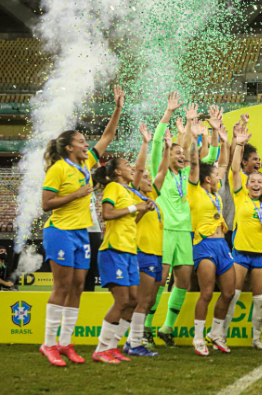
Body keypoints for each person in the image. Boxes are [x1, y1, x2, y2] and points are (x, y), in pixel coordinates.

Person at [39, 85, 124, 367]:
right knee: (61, 287)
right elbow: (46, 204)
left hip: (81, 232)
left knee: (77, 287)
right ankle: (48, 344)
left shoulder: (86, 162)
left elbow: (108, 136)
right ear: (68, 147)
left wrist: (117, 108)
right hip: (60, 231)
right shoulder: (58, 168)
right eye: (81, 141)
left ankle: (66, 344)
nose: (86, 143)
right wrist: (76, 195)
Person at [152, 96, 220, 347]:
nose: (182, 156)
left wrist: (210, 132)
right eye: (177, 152)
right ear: (167, 155)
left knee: (182, 281)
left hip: (185, 233)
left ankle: (167, 327)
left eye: (183, 153)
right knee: (160, 280)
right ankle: (146, 327)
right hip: (164, 231)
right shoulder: (159, 173)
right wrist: (169, 113)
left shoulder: (187, 179)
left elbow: (210, 156)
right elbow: (158, 142)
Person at [223, 125, 262, 350]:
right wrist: (238, 144)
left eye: (260, 182)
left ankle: (256, 338)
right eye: (253, 182)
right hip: (240, 254)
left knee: (260, 300)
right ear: (247, 185)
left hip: (261, 256)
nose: (257, 184)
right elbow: (236, 170)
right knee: (233, 296)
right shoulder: (240, 197)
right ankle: (221, 335)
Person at [92, 157, 156, 363]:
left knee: (133, 300)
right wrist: (135, 208)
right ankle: (101, 349)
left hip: (129, 251)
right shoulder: (113, 187)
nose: (131, 168)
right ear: (118, 172)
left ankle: (112, 347)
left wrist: (143, 210)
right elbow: (107, 214)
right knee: (121, 301)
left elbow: (131, 220)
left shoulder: (129, 193)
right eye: (127, 166)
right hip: (113, 250)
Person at [187, 117, 237, 355]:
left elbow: (224, 166)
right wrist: (199, 138)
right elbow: (195, 166)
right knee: (206, 293)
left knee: (228, 292)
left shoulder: (217, 194)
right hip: (204, 245)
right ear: (207, 178)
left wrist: (219, 134)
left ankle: (215, 334)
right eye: (215, 174)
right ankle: (198, 338)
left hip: (222, 245)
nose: (219, 176)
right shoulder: (195, 191)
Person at [125, 123, 168, 354]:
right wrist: (145, 143)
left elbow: (161, 171)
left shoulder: (151, 195)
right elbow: (133, 221)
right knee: (143, 300)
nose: (150, 178)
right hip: (143, 252)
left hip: (156, 253)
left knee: (149, 300)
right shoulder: (132, 195)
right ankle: (134, 343)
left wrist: (168, 149)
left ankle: (132, 341)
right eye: (145, 176)